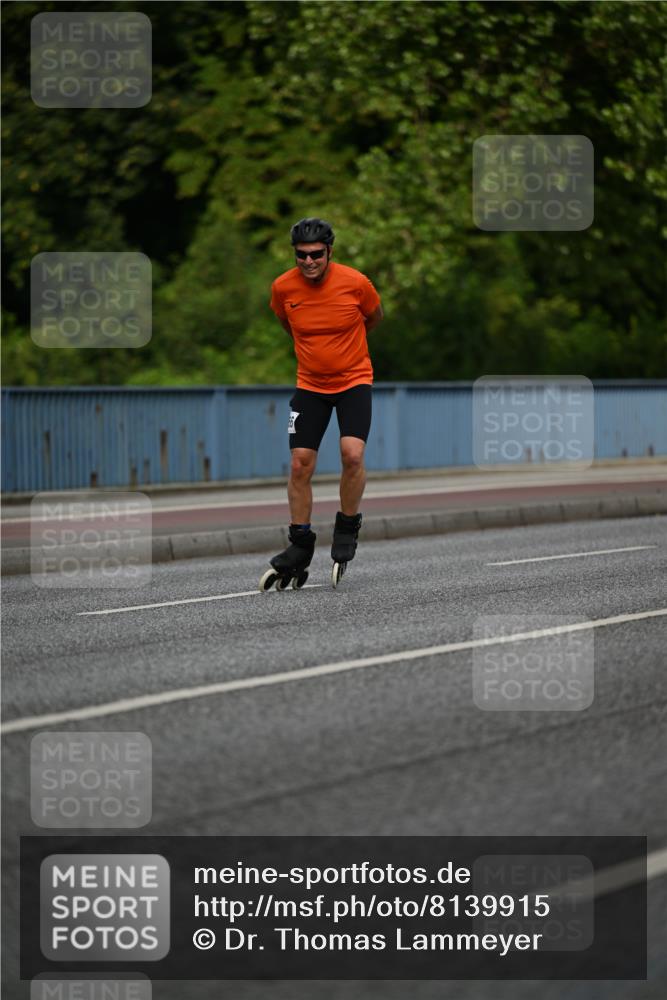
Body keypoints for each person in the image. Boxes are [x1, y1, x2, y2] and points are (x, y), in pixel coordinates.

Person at [259, 217, 384, 590]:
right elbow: (288, 324)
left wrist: (347, 353)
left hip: (353, 382)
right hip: (310, 385)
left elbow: (374, 318)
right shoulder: (283, 288)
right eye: (301, 255)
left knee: (352, 455)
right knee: (300, 464)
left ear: (329, 251)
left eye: (316, 254)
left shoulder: (356, 283)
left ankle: (347, 527)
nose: (309, 262)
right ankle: (300, 544)